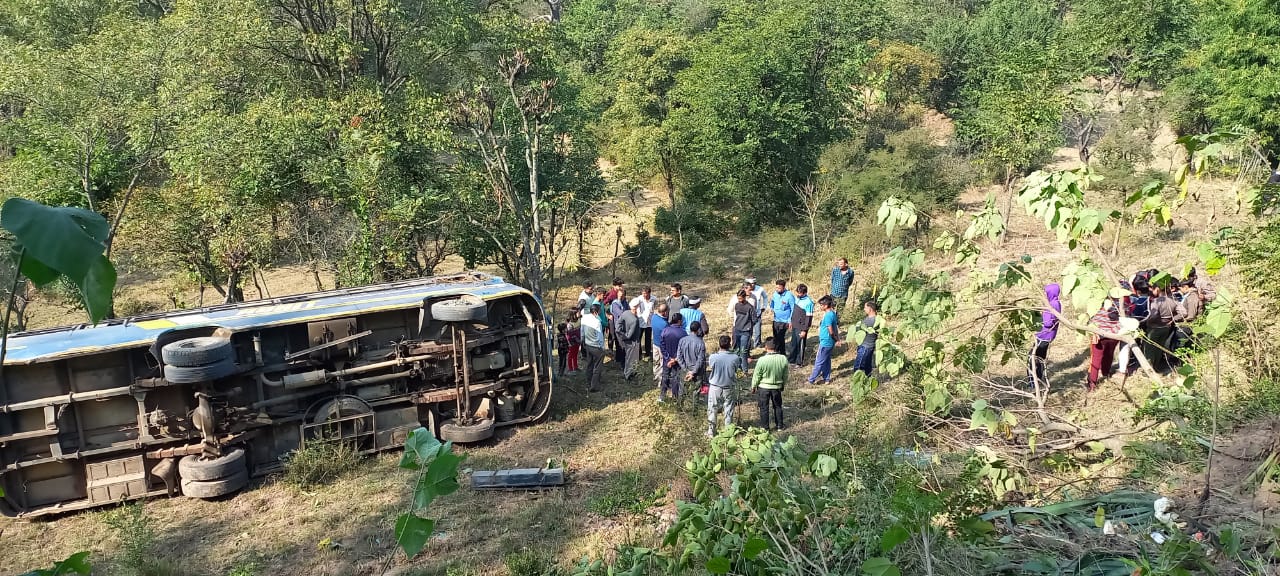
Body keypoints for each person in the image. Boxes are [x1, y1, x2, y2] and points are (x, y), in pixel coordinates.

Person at [1143, 281, 1187, 372]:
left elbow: (1154, 315)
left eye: (1154, 289)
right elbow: (1184, 313)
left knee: (1149, 349)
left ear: (1157, 289)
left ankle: (1148, 369)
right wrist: (1172, 319)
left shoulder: (1156, 301)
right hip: (1166, 328)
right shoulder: (1173, 300)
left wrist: (1146, 321)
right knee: (1159, 347)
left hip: (1154, 328)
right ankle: (1156, 366)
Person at [1028, 284, 1061, 390]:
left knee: (1033, 358)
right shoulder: (1056, 303)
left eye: (1046, 292)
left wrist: (1040, 316)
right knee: (1040, 358)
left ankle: (1034, 382)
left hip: (1044, 335)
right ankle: (1038, 379)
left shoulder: (1052, 305)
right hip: (1047, 335)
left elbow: (1047, 323)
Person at [751, 337, 788, 430]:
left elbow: (757, 375)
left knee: (764, 408)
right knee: (778, 406)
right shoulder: (783, 358)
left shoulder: (762, 360)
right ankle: (779, 425)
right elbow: (785, 374)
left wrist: (753, 385)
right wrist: (783, 384)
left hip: (763, 387)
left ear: (766, 347)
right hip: (777, 387)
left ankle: (765, 427)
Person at [706, 335, 739, 437]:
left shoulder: (713, 357)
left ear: (719, 344)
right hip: (728, 386)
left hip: (715, 386)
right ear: (729, 345)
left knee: (712, 408)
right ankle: (728, 431)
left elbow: (711, 366)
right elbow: (736, 369)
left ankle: (711, 431)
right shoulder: (735, 358)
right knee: (728, 408)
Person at [1086, 297, 1122, 391]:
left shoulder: (1097, 307)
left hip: (1098, 337)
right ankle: (1106, 373)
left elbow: (1091, 321)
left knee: (1096, 360)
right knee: (1108, 355)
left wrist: (1096, 333)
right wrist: (1112, 332)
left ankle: (1092, 384)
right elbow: (1122, 323)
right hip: (1113, 337)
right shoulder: (1121, 307)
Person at [808, 296, 838, 385]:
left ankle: (811, 379)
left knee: (819, 361)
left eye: (821, 305)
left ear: (826, 305)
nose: (820, 307)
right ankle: (826, 379)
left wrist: (836, 339)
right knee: (827, 360)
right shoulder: (832, 313)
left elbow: (831, 330)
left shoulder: (828, 315)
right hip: (829, 342)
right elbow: (835, 327)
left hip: (826, 342)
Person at [659, 312, 687, 403]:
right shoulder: (683, 333)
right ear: (679, 321)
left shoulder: (665, 330)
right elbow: (683, 348)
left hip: (667, 359)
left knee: (665, 376)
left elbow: (662, 345)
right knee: (676, 378)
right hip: (677, 360)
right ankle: (675, 397)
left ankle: (662, 396)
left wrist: (668, 358)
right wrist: (675, 359)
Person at [678, 321, 708, 401]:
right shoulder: (700, 343)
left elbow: (679, 357)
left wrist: (686, 369)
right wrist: (693, 371)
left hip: (685, 369)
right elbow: (700, 360)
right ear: (698, 330)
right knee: (696, 391)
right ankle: (694, 410)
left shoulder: (682, 340)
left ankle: (680, 407)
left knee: (682, 389)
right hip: (697, 371)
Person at [580, 304, 607, 392]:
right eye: (599, 311)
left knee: (590, 363)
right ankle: (594, 386)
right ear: (596, 312)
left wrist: (583, 340)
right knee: (597, 366)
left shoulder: (584, 318)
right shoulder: (597, 322)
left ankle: (588, 380)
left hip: (587, 344)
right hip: (596, 346)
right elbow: (600, 337)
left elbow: (582, 331)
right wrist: (602, 348)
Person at [788, 284, 814, 367]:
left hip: (802, 327)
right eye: (797, 292)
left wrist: (804, 330)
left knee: (800, 345)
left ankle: (799, 363)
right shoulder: (796, 299)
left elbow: (809, 318)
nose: (798, 294)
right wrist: (791, 322)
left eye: (800, 293)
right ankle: (791, 360)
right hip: (795, 325)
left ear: (805, 293)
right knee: (793, 344)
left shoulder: (809, 302)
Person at [731, 289, 757, 370]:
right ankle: (737, 366)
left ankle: (744, 369)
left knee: (743, 351)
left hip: (746, 331)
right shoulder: (736, 305)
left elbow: (754, 319)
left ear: (744, 297)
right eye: (738, 298)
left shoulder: (750, 307)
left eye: (740, 298)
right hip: (737, 329)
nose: (739, 300)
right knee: (736, 349)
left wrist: (749, 326)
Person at [615, 303, 641, 381]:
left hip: (624, 340)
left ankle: (627, 371)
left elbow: (618, 323)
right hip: (633, 341)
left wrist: (620, 332)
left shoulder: (626, 312)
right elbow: (629, 335)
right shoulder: (634, 320)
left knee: (627, 357)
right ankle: (629, 374)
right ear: (636, 309)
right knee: (632, 358)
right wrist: (625, 335)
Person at [853, 300, 880, 375]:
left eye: (865, 307)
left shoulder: (872, 320)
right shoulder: (874, 318)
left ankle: (857, 381)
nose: (864, 309)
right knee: (868, 366)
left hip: (866, 346)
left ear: (870, 309)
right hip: (868, 346)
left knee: (858, 366)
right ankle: (868, 379)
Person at [630, 286, 656, 361]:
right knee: (638, 338)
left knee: (648, 338)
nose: (644, 295)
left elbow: (654, 308)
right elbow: (631, 305)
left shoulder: (653, 299)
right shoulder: (639, 299)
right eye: (643, 293)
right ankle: (639, 353)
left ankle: (648, 353)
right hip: (640, 321)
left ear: (649, 293)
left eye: (646, 293)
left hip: (649, 322)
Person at [769, 279, 795, 350]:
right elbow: (772, 302)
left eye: (779, 288)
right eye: (776, 288)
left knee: (780, 337)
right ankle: (776, 351)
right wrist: (771, 308)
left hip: (785, 321)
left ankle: (782, 353)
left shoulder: (789, 296)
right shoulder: (775, 294)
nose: (777, 289)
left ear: (783, 287)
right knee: (775, 337)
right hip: (776, 319)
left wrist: (790, 320)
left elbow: (793, 308)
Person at [651, 303, 670, 384]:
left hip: (655, 343)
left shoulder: (654, 317)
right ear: (664, 312)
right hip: (662, 346)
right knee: (663, 363)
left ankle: (655, 376)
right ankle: (661, 380)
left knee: (656, 361)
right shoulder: (665, 324)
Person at [610, 286, 629, 364]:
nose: (620, 297)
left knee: (623, 342)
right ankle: (620, 359)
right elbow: (621, 314)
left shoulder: (625, 302)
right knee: (620, 343)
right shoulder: (615, 304)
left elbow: (628, 310)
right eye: (619, 295)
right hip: (618, 326)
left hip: (625, 325)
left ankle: (621, 358)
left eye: (622, 296)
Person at [747, 277, 767, 347]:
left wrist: (764, 306)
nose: (752, 285)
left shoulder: (760, 289)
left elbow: (765, 297)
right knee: (748, 331)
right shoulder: (744, 289)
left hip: (757, 313)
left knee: (757, 331)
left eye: (753, 283)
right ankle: (748, 345)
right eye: (750, 283)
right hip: (747, 315)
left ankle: (757, 344)